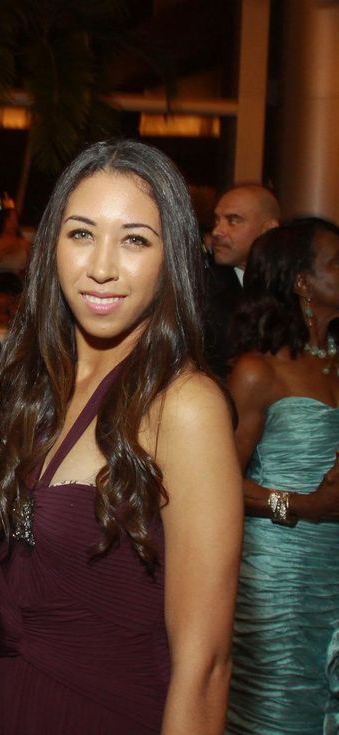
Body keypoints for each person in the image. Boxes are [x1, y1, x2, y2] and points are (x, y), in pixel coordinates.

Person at [0, 140, 242, 734]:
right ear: (50, 247)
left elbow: (205, 663)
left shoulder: (184, 405)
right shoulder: (28, 384)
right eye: (80, 233)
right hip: (7, 705)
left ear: (171, 256)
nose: (101, 266)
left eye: (135, 240)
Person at [224, 217, 339, 734]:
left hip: (335, 565)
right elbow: (216, 486)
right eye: (336, 263)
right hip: (279, 571)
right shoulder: (257, 371)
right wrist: (297, 505)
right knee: (280, 704)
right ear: (300, 280)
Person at [205, 184, 280, 378]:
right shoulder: (199, 288)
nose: (217, 231)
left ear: (268, 230)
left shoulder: (292, 288)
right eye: (217, 220)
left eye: (233, 220)